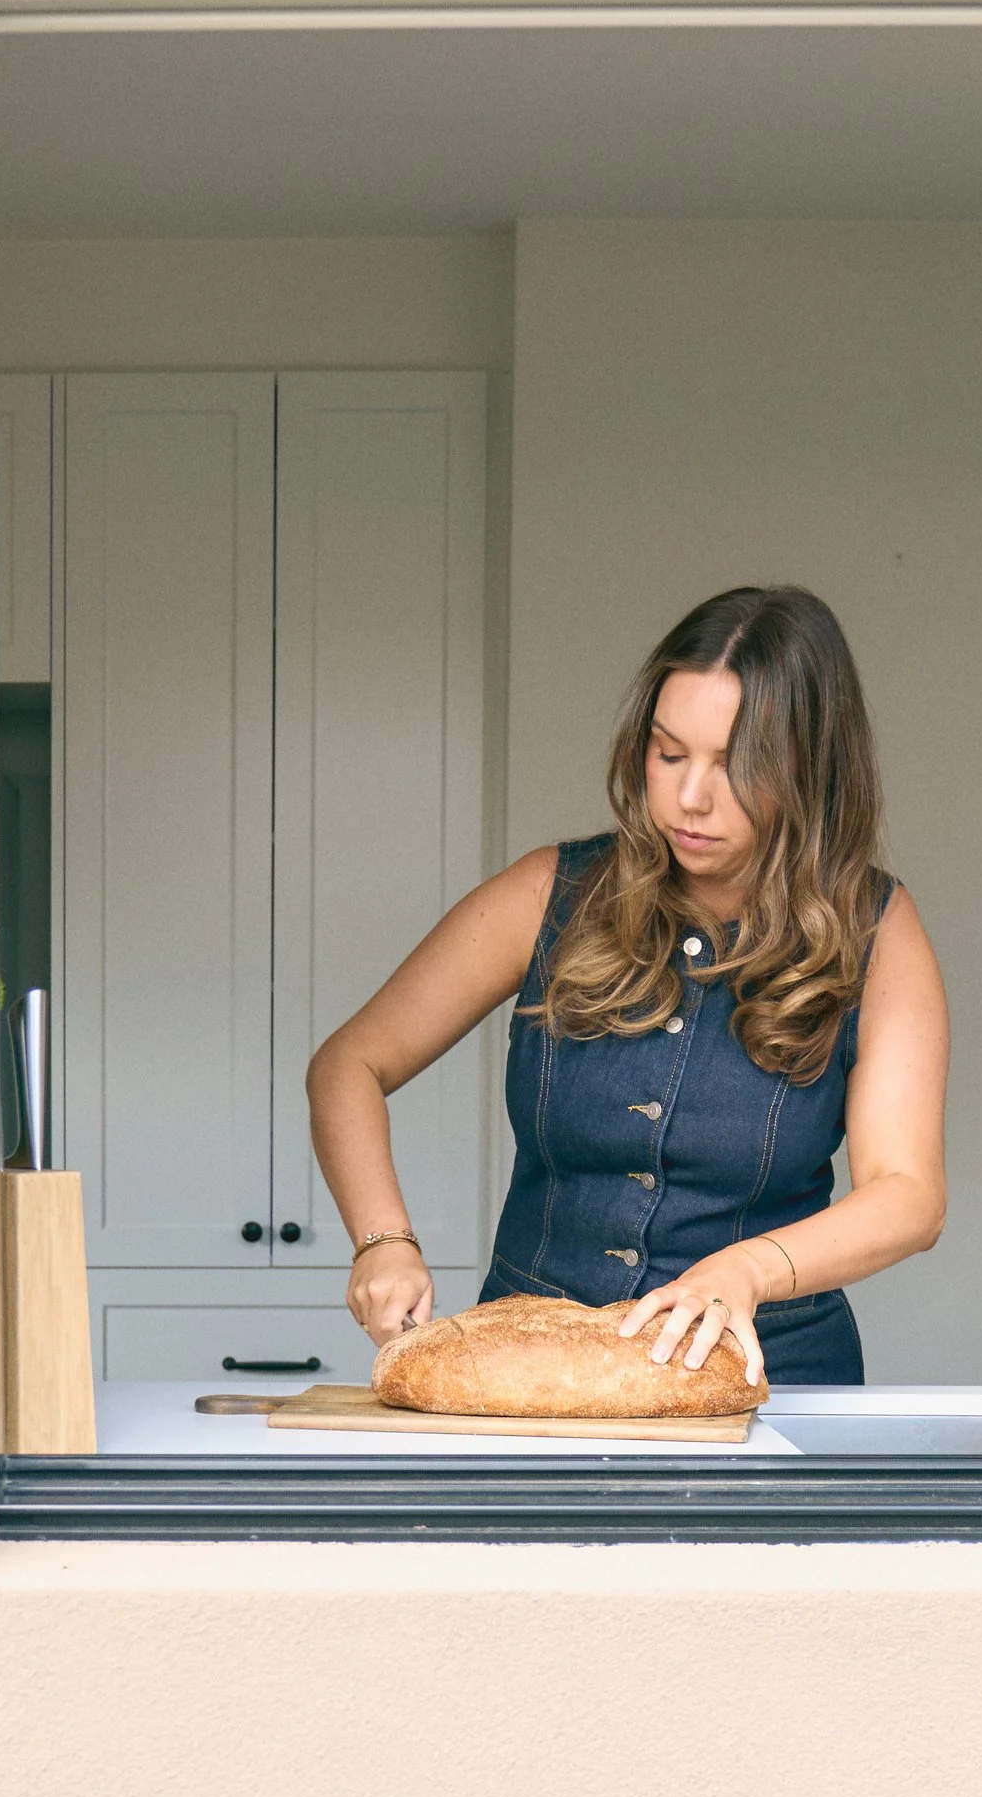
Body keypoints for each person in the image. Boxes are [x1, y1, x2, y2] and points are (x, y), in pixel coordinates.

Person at [306, 585, 948, 1389]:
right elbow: (349, 1065)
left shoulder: (876, 928)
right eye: (669, 753)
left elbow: (908, 1193)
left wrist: (749, 1271)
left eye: (737, 767)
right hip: (530, 1372)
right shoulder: (552, 892)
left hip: (775, 1380)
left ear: (811, 769)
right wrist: (383, 1240)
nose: (689, 798)